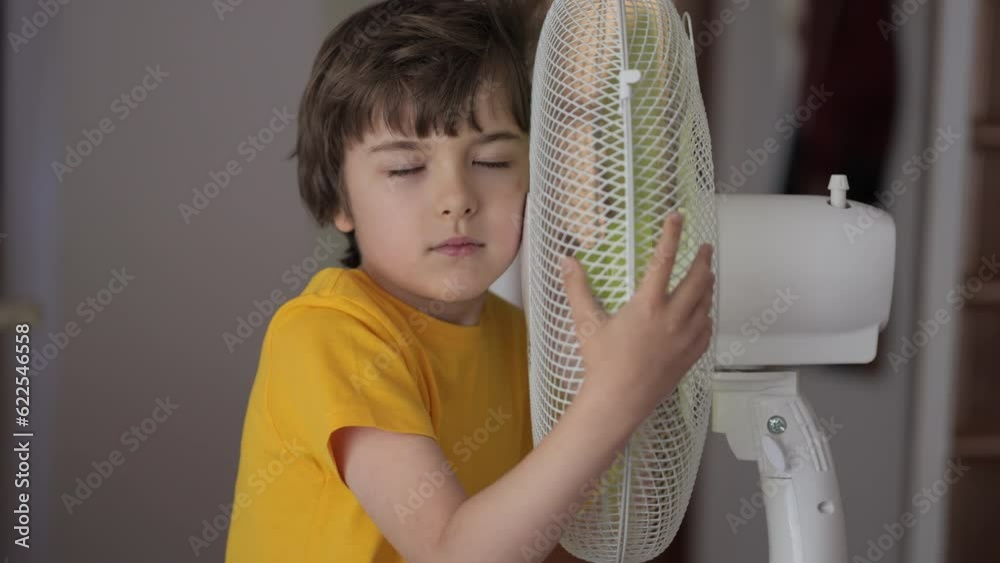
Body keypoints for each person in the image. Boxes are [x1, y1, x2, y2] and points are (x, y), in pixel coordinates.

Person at [224, 1, 715, 562]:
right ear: (340, 199)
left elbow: (547, 527)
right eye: (407, 169)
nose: (457, 199)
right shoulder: (325, 338)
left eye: (492, 161)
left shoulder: (527, 342)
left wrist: (641, 385)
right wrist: (618, 394)